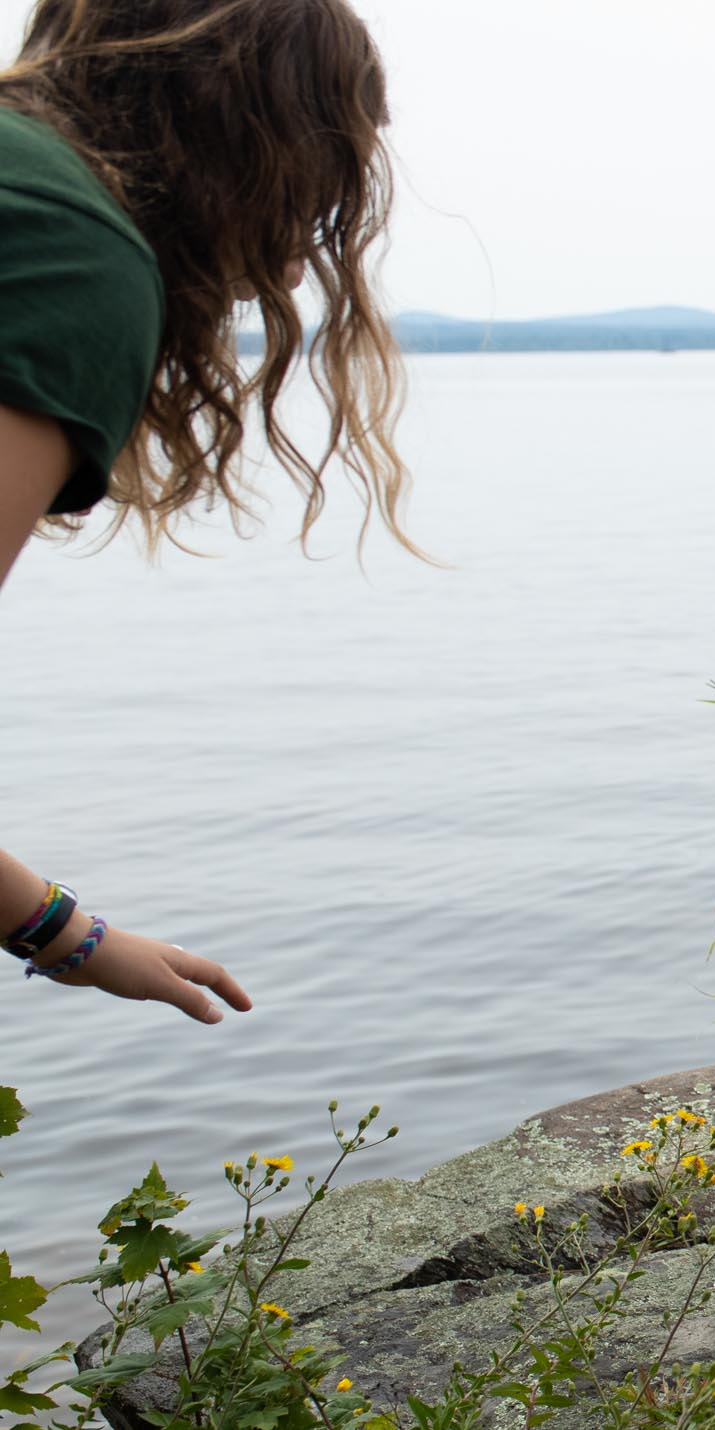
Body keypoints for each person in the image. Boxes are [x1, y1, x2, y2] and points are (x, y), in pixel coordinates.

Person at [0, 0, 413, 1020]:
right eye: (326, 182)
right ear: (258, 141)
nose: (306, 242)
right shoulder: (67, 249)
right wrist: (68, 934)